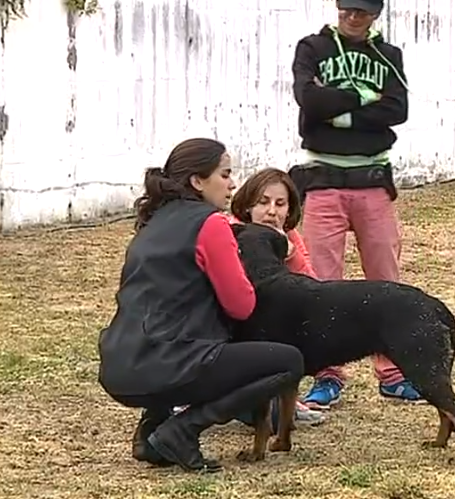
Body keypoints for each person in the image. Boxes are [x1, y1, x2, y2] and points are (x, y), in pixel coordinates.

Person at [97, 138, 305, 472]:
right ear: (197, 181)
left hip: (118, 367)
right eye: (225, 174)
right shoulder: (211, 223)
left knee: (175, 333)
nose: (233, 183)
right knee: (288, 361)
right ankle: (184, 429)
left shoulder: (151, 224)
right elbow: (241, 306)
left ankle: (151, 432)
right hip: (171, 364)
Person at [287, 0, 421, 408]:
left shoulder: (388, 55)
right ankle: (327, 373)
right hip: (322, 179)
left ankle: (393, 371)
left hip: (372, 180)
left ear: (375, 14)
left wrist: (338, 108)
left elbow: (398, 109)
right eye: (346, 8)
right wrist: (365, 98)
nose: (352, 16)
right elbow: (310, 101)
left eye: (361, 11)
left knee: (385, 277)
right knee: (320, 284)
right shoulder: (312, 48)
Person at [227, 167, 334, 426]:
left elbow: (310, 286)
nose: (271, 211)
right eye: (263, 202)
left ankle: (285, 395)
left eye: (280, 204)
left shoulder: (288, 237)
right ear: (248, 205)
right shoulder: (230, 233)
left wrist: (290, 253)